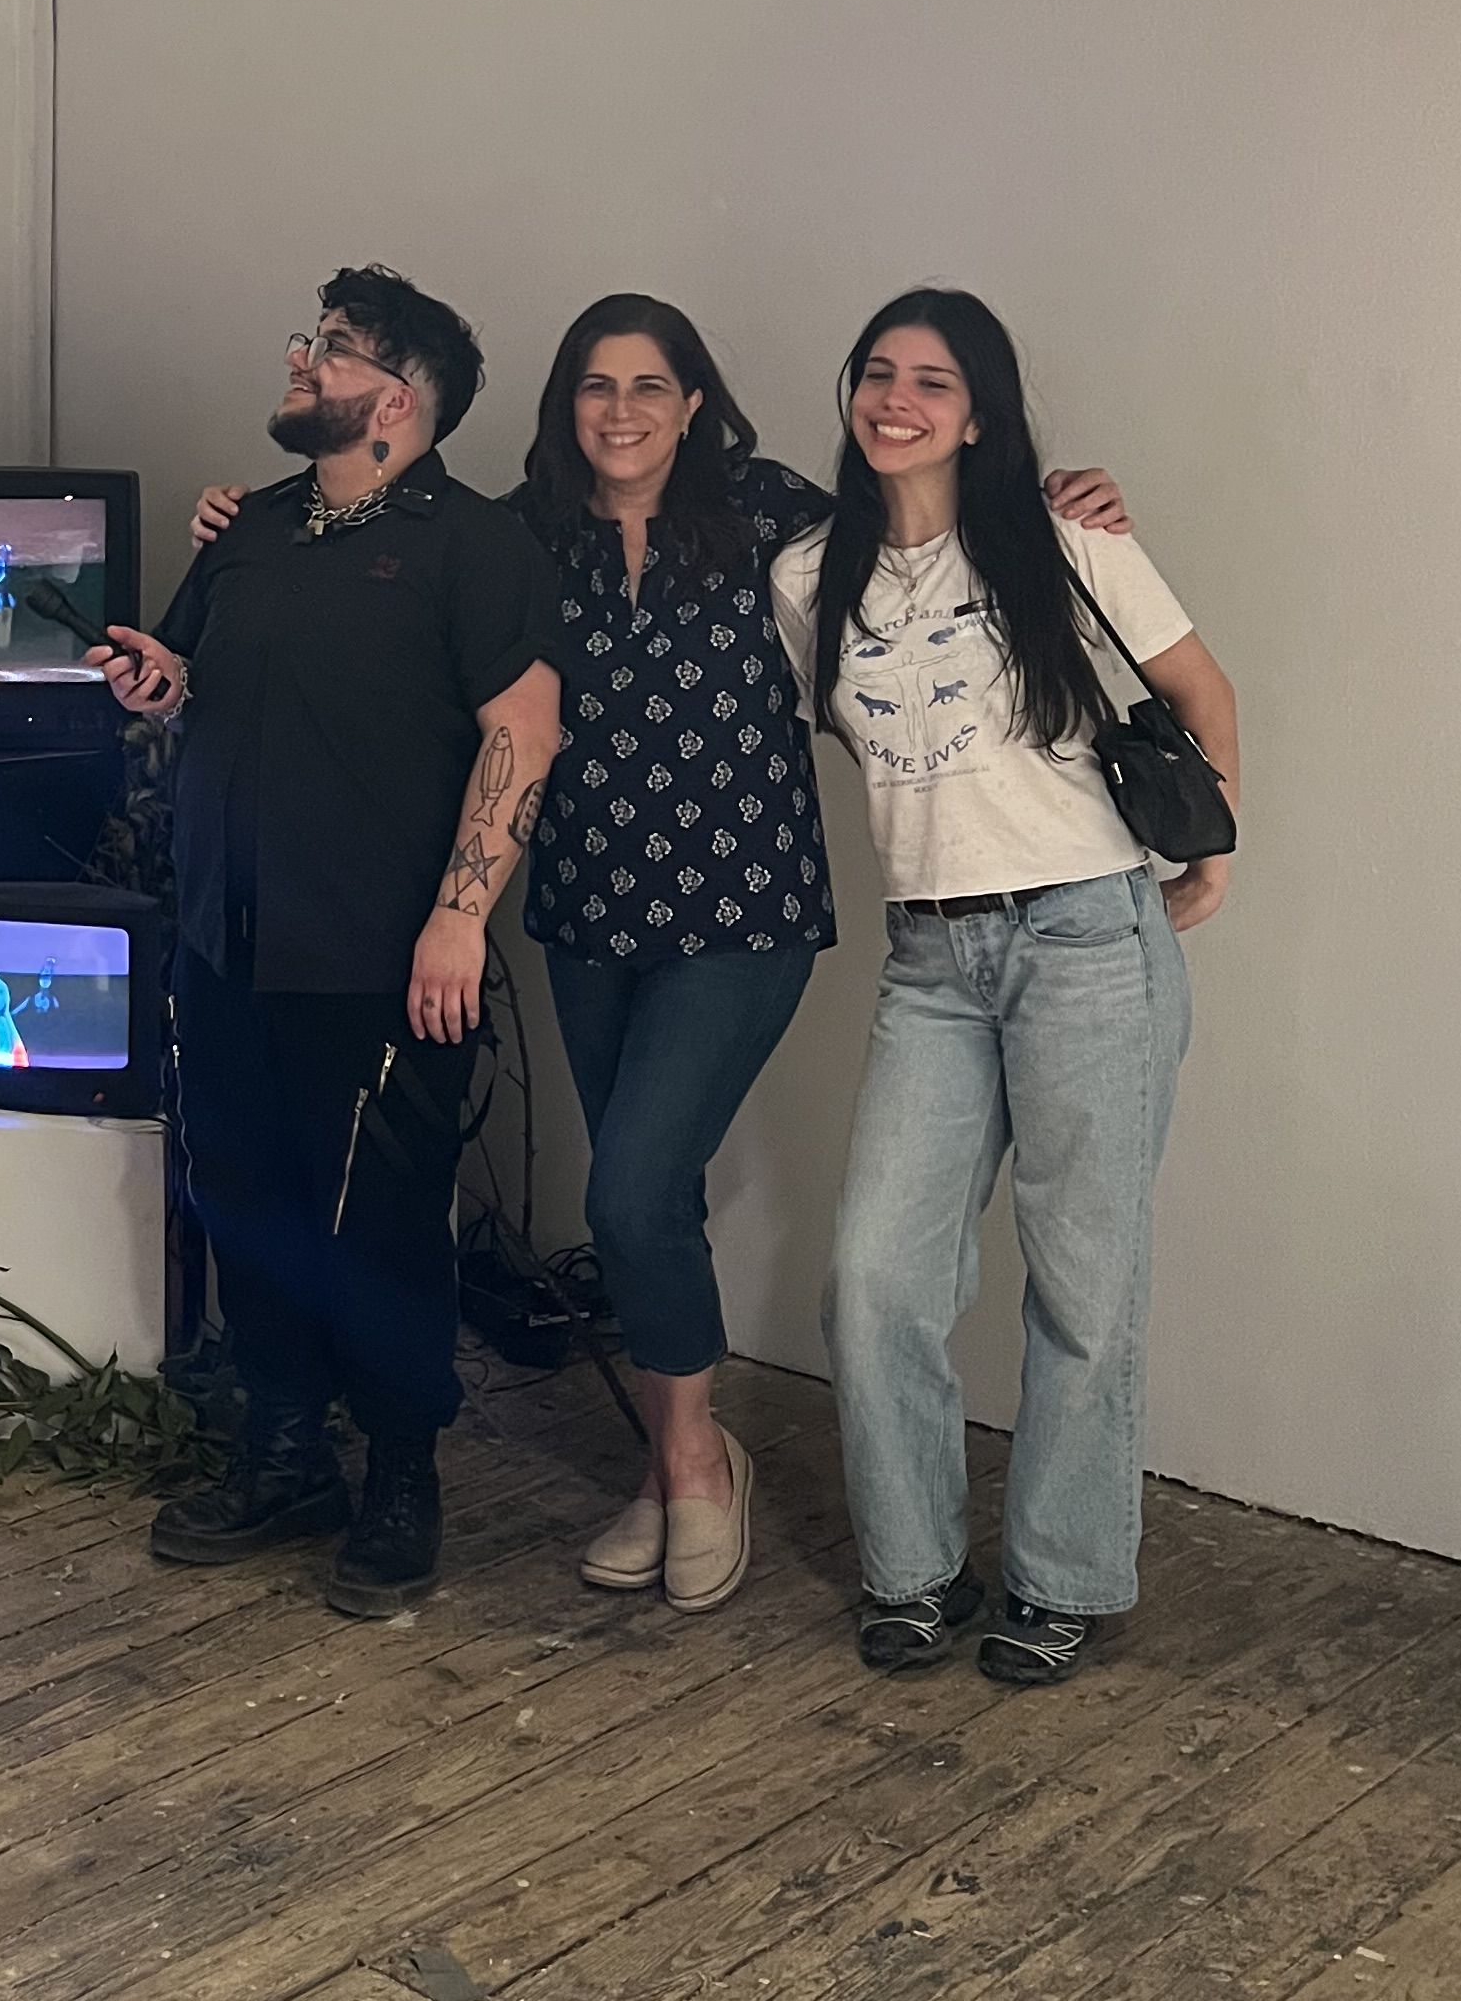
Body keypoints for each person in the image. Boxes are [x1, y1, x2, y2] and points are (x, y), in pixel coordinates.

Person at [195, 297, 1124, 1620]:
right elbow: (393, 555)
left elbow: (935, 539)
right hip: (586, 911)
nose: (619, 410)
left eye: (648, 386)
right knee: (660, 1196)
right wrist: (250, 518)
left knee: (629, 1191)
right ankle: (684, 1459)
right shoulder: (522, 534)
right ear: (564, 408)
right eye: (592, 386)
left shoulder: (774, 514)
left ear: (694, 404)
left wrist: (1056, 494)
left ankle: (691, 1463)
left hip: (742, 915)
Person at [770, 290, 1237, 1688]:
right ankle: (914, 1569)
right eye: (878, 374)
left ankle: (1065, 1577)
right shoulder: (809, 578)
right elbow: (864, 746)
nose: (897, 399)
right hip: (932, 959)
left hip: (1090, 937)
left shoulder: (1066, 536)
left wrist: (1215, 848)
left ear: (980, 413)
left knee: (1085, 1287)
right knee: (875, 1275)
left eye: (933, 380)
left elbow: (1203, 690)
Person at [92, 268, 565, 1619]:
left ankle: (403, 1471)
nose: (301, 361)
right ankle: (285, 1449)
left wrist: (460, 919)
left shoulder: (476, 548)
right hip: (227, 946)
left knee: (383, 1226)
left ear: (394, 402)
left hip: (384, 959)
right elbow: (191, 686)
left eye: (334, 350)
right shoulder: (248, 528)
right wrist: (157, 683)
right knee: (248, 1206)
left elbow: (521, 734)